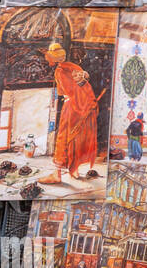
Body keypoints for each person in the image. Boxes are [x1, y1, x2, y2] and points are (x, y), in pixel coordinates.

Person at [37, 42, 101, 185]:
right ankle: (74, 170)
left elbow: (69, 92)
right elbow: (82, 87)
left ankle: (57, 174)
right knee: (76, 138)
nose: (47, 61)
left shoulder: (59, 71)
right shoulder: (75, 67)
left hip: (71, 107)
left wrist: (67, 98)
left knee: (63, 138)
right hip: (81, 106)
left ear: (54, 58)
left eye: (48, 58)